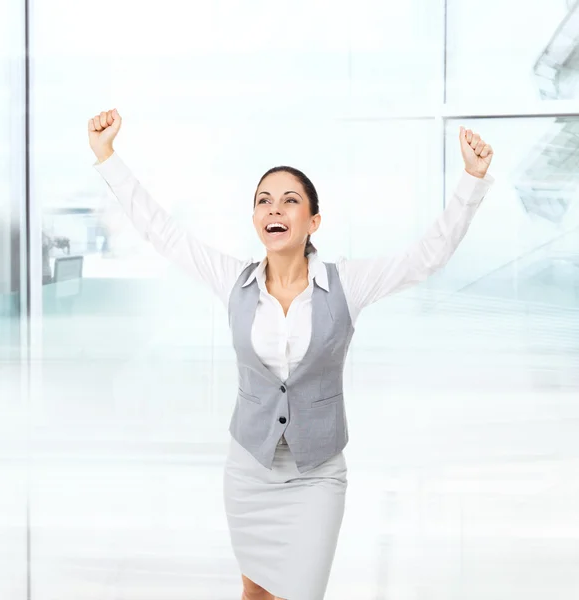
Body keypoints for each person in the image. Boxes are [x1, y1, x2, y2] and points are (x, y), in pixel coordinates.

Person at [88, 108, 494, 600]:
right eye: (263, 201)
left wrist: (472, 180)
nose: (274, 209)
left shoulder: (348, 284)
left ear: (313, 220)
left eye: (289, 200)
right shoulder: (233, 280)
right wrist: (107, 156)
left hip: (317, 476)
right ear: (255, 218)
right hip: (248, 471)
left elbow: (426, 256)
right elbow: (163, 232)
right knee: (256, 594)